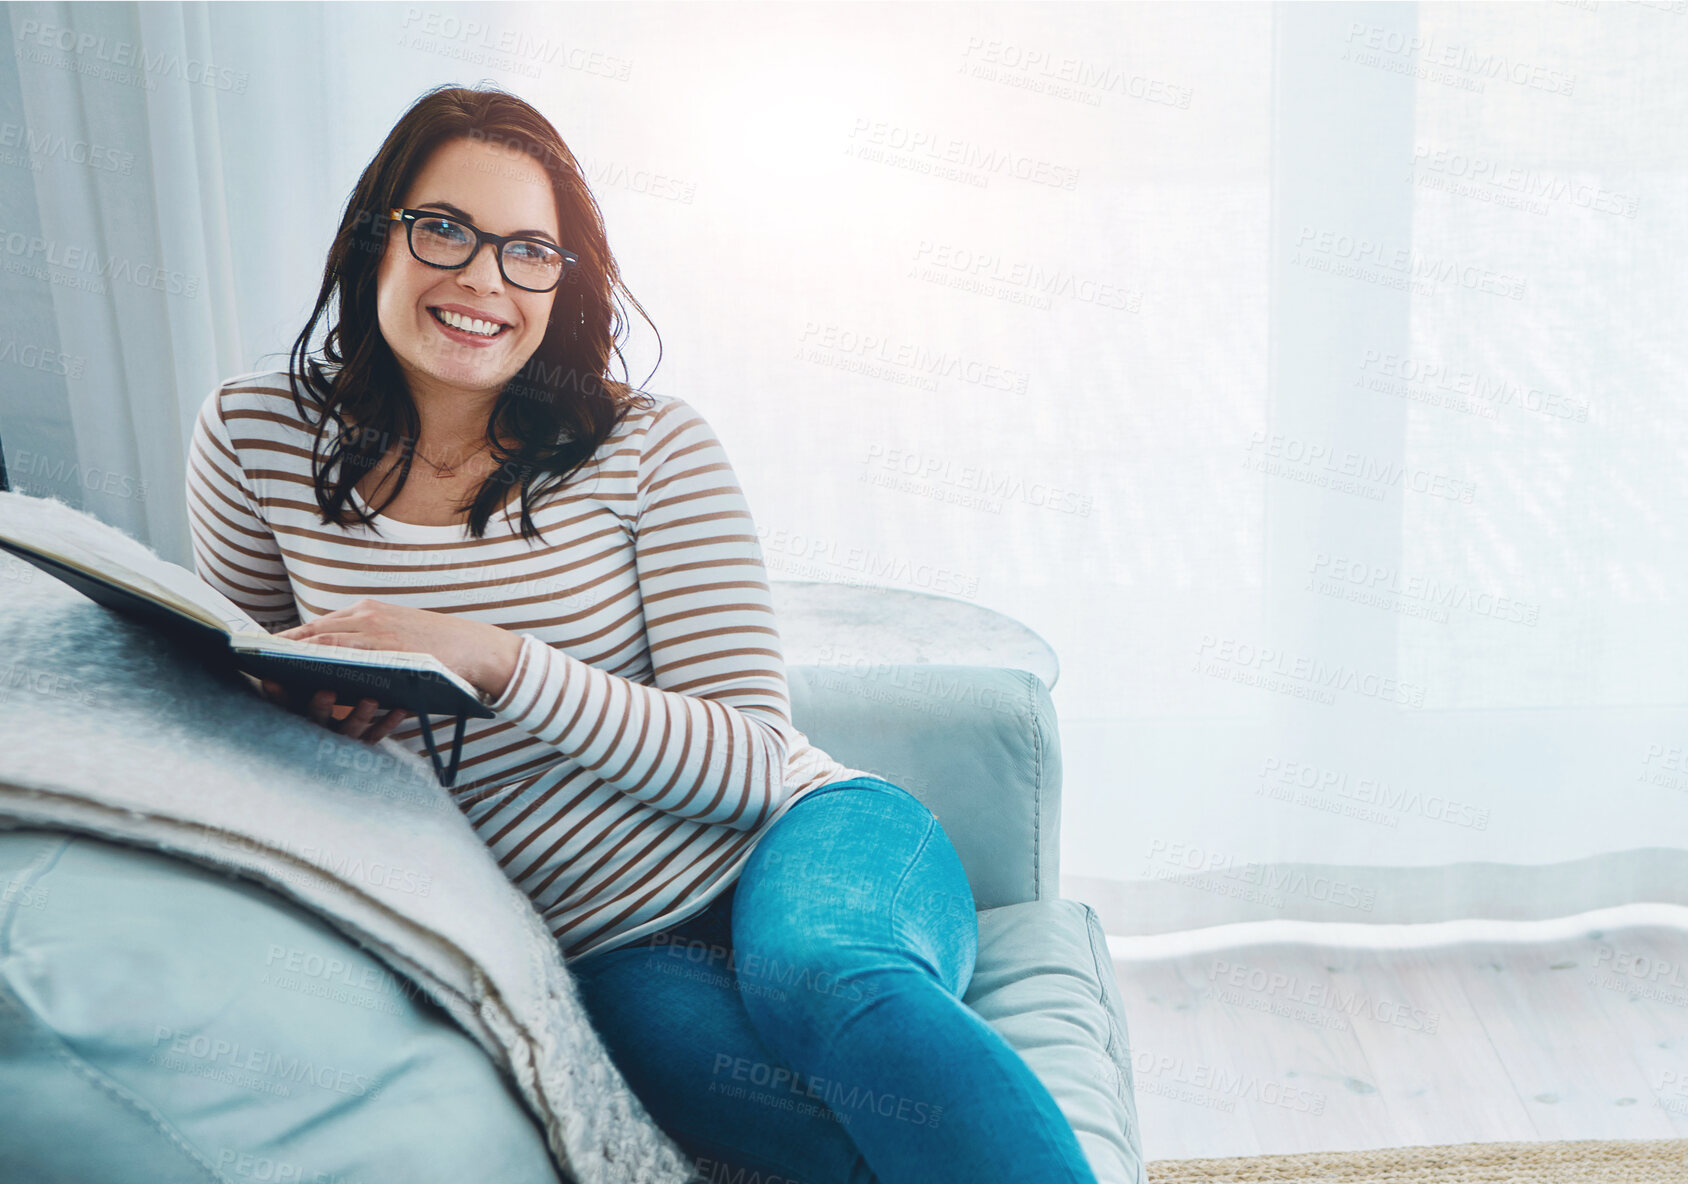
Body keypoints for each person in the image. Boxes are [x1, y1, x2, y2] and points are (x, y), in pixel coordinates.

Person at [185, 83, 1097, 1184]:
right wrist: (301, 708)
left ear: (562, 284)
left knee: (823, 978)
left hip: (805, 836)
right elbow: (240, 699)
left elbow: (752, 761)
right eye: (444, 229)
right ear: (373, 237)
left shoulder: (648, 448)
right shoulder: (253, 433)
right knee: (846, 1133)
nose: (481, 278)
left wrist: (494, 657)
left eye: (529, 250)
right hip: (600, 943)